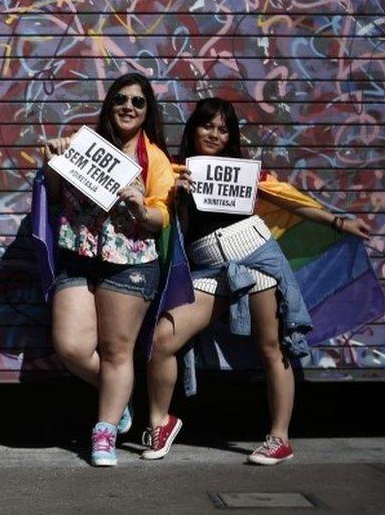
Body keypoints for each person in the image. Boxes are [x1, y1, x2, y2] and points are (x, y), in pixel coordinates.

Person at [141, 97, 371, 465]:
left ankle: (279, 438)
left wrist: (338, 222)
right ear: (192, 128)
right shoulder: (174, 172)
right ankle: (161, 421)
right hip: (208, 268)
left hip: (255, 256)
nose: (214, 134)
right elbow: (171, 229)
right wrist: (178, 199)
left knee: (272, 348)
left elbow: (289, 199)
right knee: (162, 339)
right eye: (207, 125)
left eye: (223, 128)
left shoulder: (245, 174)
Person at [40, 73, 175, 467]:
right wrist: (52, 163)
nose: (128, 107)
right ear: (109, 104)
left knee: (118, 352)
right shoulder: (83, 145)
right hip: (80, 255)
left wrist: (139, 207)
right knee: (71, 347)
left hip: (131, 262)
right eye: (120, 99)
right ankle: (118, 397)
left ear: (148, 111)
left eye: (138, 101)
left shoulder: (155, 159)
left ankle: (104, 432)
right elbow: (52, 194)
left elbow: (161, 217)